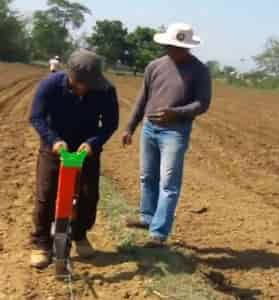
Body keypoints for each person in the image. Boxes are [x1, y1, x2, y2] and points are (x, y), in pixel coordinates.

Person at [122, 23, 212, 247]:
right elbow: (142, 98)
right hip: (149, 128)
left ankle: (159, 233)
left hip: (175, 131)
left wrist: (176, 113)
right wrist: (130, 127)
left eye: (179, 46)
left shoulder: (199, 71)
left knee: (169, 183)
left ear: (188, 47)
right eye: (171, 45)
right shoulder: (154, 66)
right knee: (147, 176)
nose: (174, 50)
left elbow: (203, 103)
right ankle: (147, 217)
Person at [29, 49, 119, 268]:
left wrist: (92, 143)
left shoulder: (105, 90)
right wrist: (53, 140)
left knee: (89, 196)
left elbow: (110, 124)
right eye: (82, 83)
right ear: (70, 76)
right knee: (47, 192)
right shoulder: (50, 85)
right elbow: (36, 117)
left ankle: (79, 235)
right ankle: (41, 243)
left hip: (86, 148)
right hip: (55, 145)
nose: (86, 88)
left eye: (90, 84)